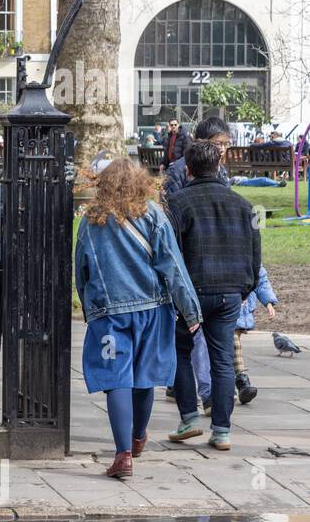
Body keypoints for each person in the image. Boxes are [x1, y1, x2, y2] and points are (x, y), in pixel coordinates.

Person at [75, 159, 201, 479]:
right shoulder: (154, 215)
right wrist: (191, 312)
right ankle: (138, 435)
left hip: (109, 314)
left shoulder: (91, 222)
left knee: (116, 379)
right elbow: (173, 267)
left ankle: (123, 454)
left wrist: (90, 309)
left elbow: (81, 271)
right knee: (143, 378)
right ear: (142, 182)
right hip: (153, 311)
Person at [165, 141, 262, 452]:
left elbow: (172, 253)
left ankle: (189, 418)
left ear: (188, 169)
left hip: (191, 292)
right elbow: (254, 253)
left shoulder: (178, 204)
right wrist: (245, 288)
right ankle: (221, 430)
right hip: (229, 291)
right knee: (222, 361)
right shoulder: (244, 205)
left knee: (180, 352)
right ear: (219, 166)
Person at [234, 265, 277, 404]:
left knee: (232, 347)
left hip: (241, 311)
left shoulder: (251, 255)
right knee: (232, 345)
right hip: (228, 307)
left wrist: (268, 302)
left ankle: (238, 384)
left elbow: (261, 280)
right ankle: (241, 381)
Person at [162, 115, 229, 200]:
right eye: (217, 144)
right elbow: (168, 205)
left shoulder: (221, 170)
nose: (222, 149)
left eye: (226, 144)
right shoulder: (178, 171)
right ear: (201, 142)